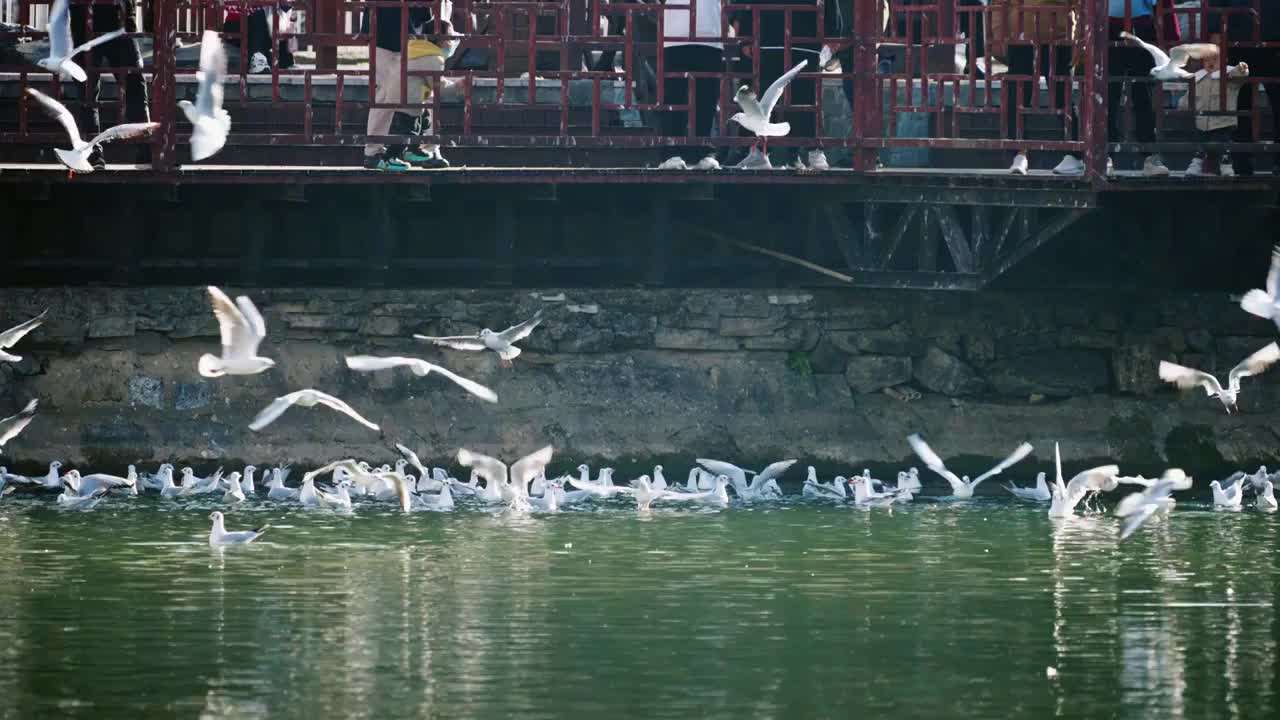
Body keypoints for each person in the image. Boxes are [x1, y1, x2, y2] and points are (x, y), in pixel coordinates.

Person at [732, 0, 842, 170]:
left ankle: (812, 150)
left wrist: (833, 33)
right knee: (767, 98)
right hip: (768, 38)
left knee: (806, 98)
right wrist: (746, 35)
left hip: (806, 37)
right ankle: (760, 151)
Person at [362, 0, 460, 170]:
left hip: (411, 34)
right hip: (386, 35)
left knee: (423, 92)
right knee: (387, 94)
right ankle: (375, 151)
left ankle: (424, 147)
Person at [992, 0, 1083, 175]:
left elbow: (1080, 6)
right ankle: (1018, 153)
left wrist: (1078, 39)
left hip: (1057, 37)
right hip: (1020, 37)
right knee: (1017, 96)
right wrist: (998, 34)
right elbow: (999, 4)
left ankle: (1074, 154)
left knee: (1062, 96)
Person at [69, 0, 150, 169]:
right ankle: (93, 153)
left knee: (134, 84)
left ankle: (146, 150)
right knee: (87, 90)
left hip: (116, 20)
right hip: (88, 20)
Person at [1107, 0, 1180, 176]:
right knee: (1108, 94)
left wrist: (1171, 35)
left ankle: (1149, 156)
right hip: (1108, 28)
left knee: (1144, 95)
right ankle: (1105, 155)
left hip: (1141, 28)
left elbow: (1163, 4)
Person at [1208, 0, 1280, 175]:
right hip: (1239, 40)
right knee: (1239, 102)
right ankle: (1241, 160)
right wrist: (1216, 36)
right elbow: (1215, 6)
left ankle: (1269, 161)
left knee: (1275, 101)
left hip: (1272, 41)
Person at [656, 0, 726, 170]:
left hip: (710, 34)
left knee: (707, 97)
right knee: (674, 96)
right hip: (675, 35)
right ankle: (671, 152)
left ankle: (704, 152)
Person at [1176, 53, 1248, 175]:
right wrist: (1182, 104)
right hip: (1202, 121)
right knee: (1200, 144)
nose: (1210, 62)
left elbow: (1239, 76)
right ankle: (1195, 165)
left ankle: (1226, 167)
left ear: (1224, 60)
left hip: (1223, 121)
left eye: (1215, 59)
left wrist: (1242, 69)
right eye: (1207, 59)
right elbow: (1190, 96)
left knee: (1222, 143)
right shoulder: (1199, 77)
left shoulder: (1228, 76)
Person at [223, 4, 295, 74]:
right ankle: (257, 58)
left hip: (262, 28)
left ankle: (285, 60)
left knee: (277, 17)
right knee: (260, 14)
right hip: (236, 24)